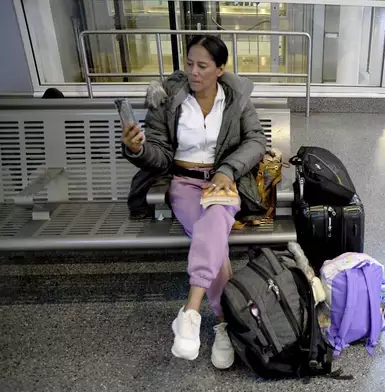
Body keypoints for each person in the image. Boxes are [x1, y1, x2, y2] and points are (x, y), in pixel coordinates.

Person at [121, 35, 267, 368]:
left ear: (220, 69)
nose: (193, 72)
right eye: (189, 63)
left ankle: (191, 312)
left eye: (202, 66)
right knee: (213, 236)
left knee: (213, 223)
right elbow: (159, 157)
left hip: (223, 182)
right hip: (184, 183)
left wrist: (228, 169)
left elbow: (257, 141)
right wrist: (138, 149)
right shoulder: (167, 100)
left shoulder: (235, 99)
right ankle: (225, 324)